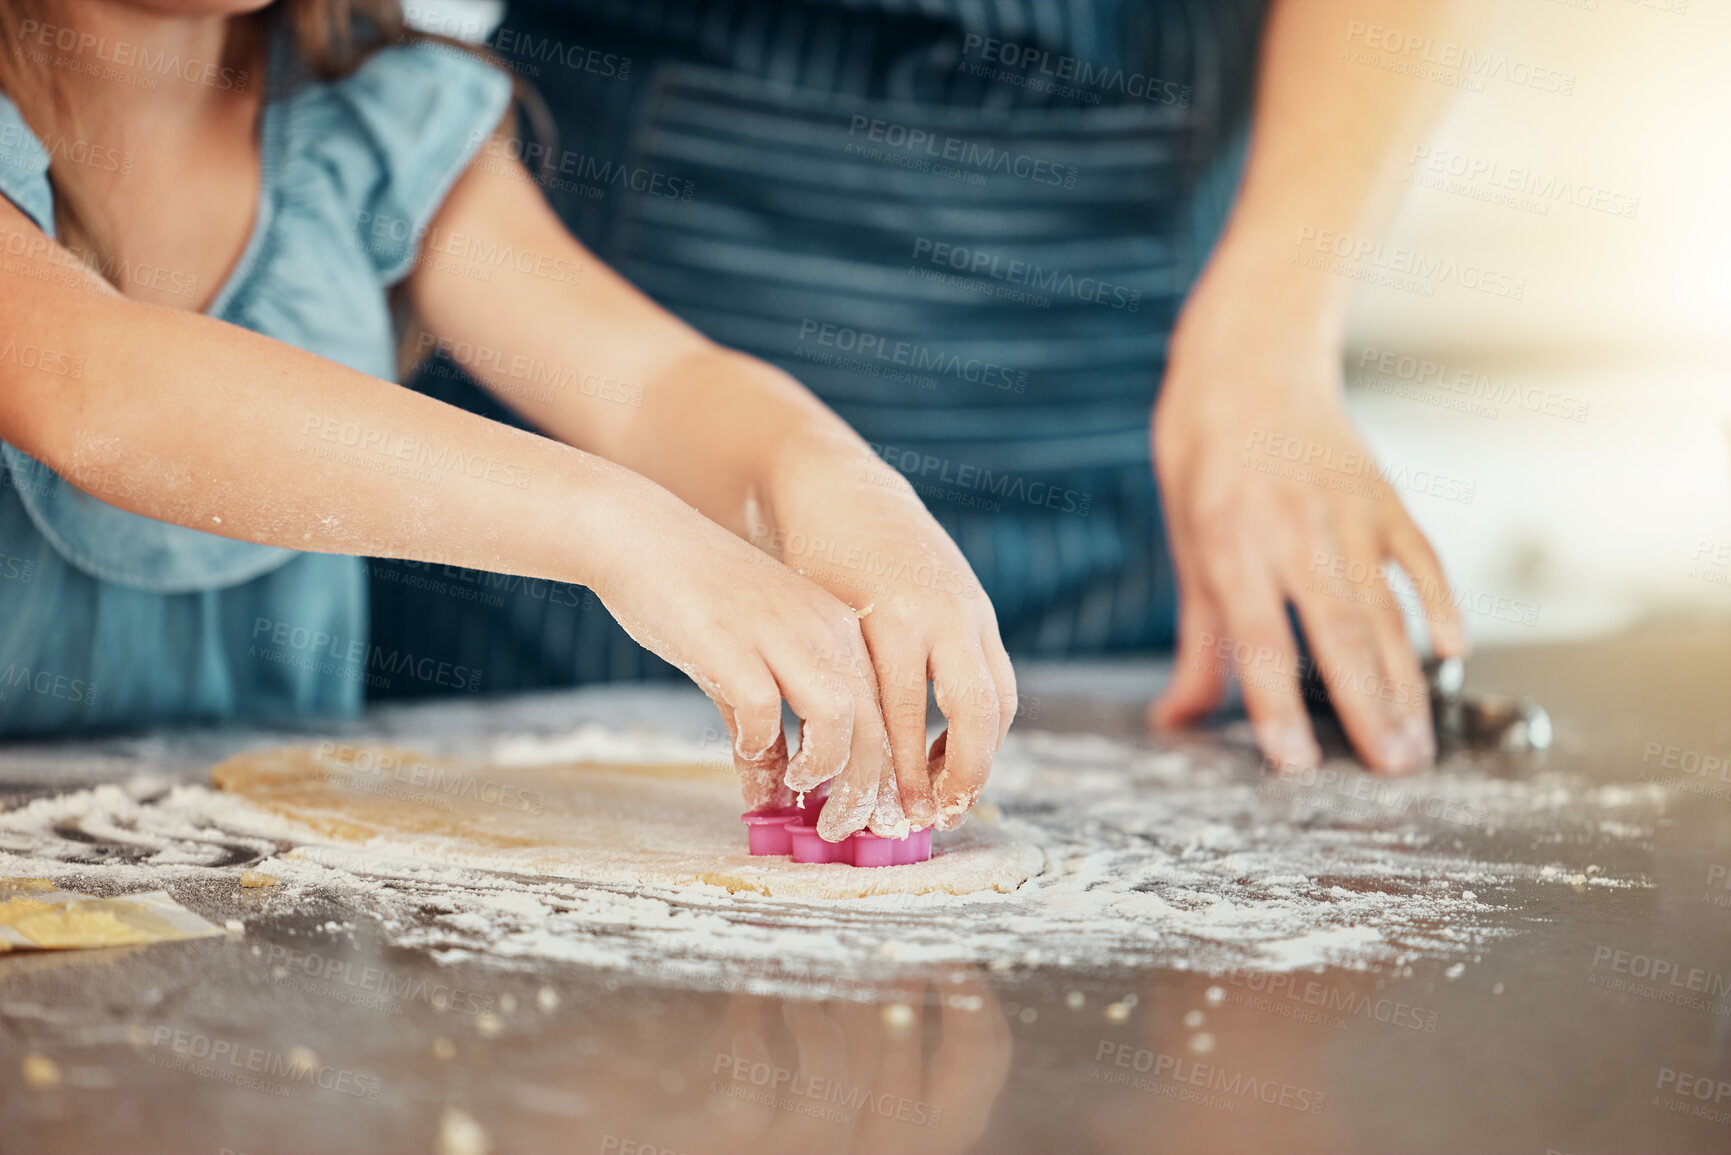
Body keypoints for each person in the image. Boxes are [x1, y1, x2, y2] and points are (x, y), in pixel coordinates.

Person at [0, 0, 1019, 842]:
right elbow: (95, 388)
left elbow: (655, 383)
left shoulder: (372, 115)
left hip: (259, 890)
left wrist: (837, 484)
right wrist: (616, 528)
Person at [377, 0, 1476, 775]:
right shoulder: (394, 134)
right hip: (622, 318)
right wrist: (648, 514)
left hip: (1126, 403)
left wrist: (1271, 337)